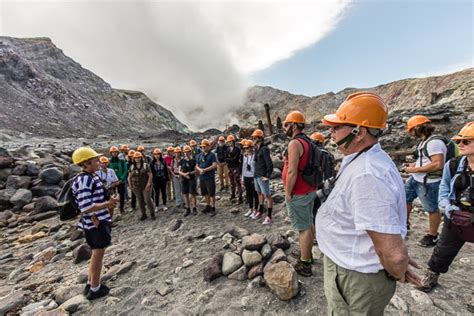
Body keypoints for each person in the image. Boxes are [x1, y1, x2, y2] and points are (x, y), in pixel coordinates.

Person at [316, 92, 422, 314]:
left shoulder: (368, 174)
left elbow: (395, 254)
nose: (331, 134)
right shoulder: (360, 158)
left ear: (359, 131)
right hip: (350, 268)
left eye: (336, 128)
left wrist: (396, 267)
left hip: (356, 277)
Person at [418, 122, 474, 306]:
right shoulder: (454, 165)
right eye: (459, 140)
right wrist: (447, 208)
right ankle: (431, 276)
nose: (460, 144)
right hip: (455, 217)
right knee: (442, 250)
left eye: (466, 141)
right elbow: (444, 190)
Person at [71, 147, 118, 300]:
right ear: (86, 163)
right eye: (95, 160)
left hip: (97, 221)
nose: (99, 162)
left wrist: (107, 203)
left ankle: (91, 283)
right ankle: (96, 288)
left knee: (96, 254)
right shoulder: (85, 179)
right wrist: (107, 204)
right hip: (96, 224)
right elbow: (86, 206)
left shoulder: (91, 176)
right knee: (98, 254)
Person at [283, 111, 317, 276]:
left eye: (286, 125)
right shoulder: (308, 141)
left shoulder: (295, 144)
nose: (284, 128)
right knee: (309, 223)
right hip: (309, 190)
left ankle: (305, 263)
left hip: (299, 193)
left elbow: (292, 171)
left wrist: (288, 192)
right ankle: (308, 254)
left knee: (303, 229)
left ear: (294, 125)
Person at [405, 115, 446, 246]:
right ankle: (404, 223)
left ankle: (433, 236)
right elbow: (425, 160)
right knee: (404, 199)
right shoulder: (424, 141)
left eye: (411, 130)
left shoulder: (434, 143)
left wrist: (415, 170)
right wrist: (413, 167)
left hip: (429, 182)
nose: (411, 133)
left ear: (418, 128)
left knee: (431, 208)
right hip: (416, 179)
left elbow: (437, 164)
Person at [251, 129, 273, 224]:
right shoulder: (257, 148)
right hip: (257, 175)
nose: (253, 139)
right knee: (259, 193)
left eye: (254, 138)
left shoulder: (264, 149)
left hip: (262, 175)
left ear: (260, 138)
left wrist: (267, 176)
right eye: (252, 138)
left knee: (267, 195)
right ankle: (260, 211)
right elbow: (255, 161)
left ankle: (269, 216)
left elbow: (270, 164)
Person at [128, 151, 155, 220]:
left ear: (141, 158)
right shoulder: (132, 167)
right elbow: (129, 177)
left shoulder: (146, 165)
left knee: (148, 199)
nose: (137, 159)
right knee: (140, 201)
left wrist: (148, 184)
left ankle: (152, 213)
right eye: (136, 158)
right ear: (134, 159)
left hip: (146, 185)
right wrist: (130, 186)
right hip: (136, 187)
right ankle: (143, 214)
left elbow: (150, 175)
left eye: (139, 157)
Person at [196, 139, 218, 216]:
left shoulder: (212, 155)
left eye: (205, 146)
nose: (203, 148)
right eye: (202, 146)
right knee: (205, 192)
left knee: (211, 192)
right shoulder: (199, 155)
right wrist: (200, 170)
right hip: (202, 177)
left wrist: (205, 170)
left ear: (208, 146)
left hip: (209, 176)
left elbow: (214, 165)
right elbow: (196, 165)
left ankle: (213, 207)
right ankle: (208, 206)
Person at [242, 140, 259, 218]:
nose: (246, 149)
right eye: (245, 148)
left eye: (248, 148)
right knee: (248, 194)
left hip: (253, 176)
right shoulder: (244, 156)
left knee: (254, 194)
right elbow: (243, 167)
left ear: (252, 147)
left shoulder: (256, 155)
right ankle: (250, 209)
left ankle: (256, 210)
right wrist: (242, 177)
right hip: (246, 176)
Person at [108, 146, 127, 214]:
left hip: (121, 181)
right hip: (112, 182)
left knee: (122, 195)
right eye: (113, 152)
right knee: (112, 196)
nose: (114, 153)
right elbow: (107, 172)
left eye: (115, 152)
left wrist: (121, 179)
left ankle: (121, 209)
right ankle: (112, 209)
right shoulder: (109, 162)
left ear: (118, 152)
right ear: (111, 153)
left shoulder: (122, 161)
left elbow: (125, 170)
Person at [179, 145, 198, 216]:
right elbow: (179, 170)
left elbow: (196, 170)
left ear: (190, 152)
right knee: (185, 194)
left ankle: (194, 208)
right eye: (185, 152)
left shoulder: (193, 160)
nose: (186, 153)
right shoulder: (182, 160)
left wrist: (189, 173)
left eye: (188, 152)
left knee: (193, 194)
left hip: (191, 179)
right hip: (184, 179)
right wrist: (184, 174)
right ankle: (187, 209)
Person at [225, 135, 243, 204]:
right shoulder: (227, 149)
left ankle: (240, 198)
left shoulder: (237, 149)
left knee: (237, 182)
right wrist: (231, 159)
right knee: (232, 182)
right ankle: (233, 195)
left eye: (231, 141)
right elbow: (225, 158)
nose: (230, 143)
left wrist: (229, 159)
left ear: (233, 141)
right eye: (229, 142)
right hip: (230, 167)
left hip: (236, 167)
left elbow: (235, 159)